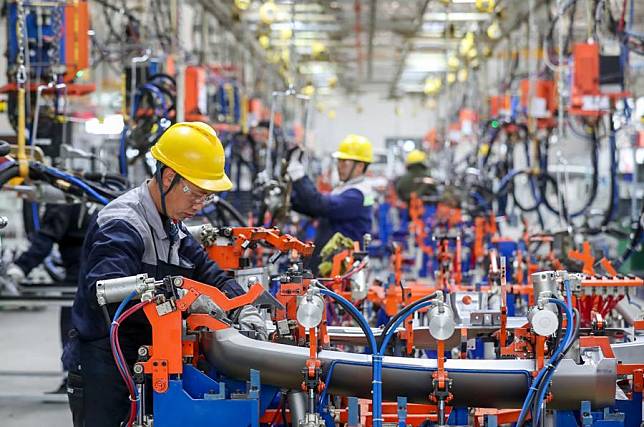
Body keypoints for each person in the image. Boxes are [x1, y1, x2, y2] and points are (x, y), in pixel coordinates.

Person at [66, 122, 266, 427]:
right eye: (197, 195)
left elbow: (212, 276)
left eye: (206, 198)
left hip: (149, 360)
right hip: (105, 365)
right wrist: (188, 304)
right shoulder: (122, 223)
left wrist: (245, 307)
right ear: (169, 177)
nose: (199, 206)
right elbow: (105, 295)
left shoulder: (174, 229)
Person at [4, 203, 91, 393]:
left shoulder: (62, 202)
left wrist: (20, 267)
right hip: (98, 275)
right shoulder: (93, 199)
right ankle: (81, 379)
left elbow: (44, 241)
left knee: (72, 329)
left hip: (78, 278)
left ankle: (73, 381)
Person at [287, 134, 374, 273]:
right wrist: (290, 201)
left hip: (340, 269)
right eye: (339, 161)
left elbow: (320, 205)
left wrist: (298, 175)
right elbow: (316, 209)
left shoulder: (357, 194)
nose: (340, 166)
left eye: (344, 162)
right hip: (332, 261)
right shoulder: (346, 188)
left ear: (359, 166)